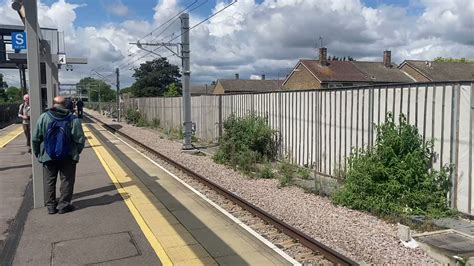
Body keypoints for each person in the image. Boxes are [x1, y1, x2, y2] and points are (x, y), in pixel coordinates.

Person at [32, 96, 85, 214]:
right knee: (67, 181)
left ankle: (51, 206)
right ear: (65, 105)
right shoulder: (73, 119)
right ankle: (63, 206)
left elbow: (35, 138)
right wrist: (76, 152)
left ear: (53, 104)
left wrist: (38, 153)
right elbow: (80, 139)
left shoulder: (44, 117)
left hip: (48, 155)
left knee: (49, 181)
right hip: (68, 155)